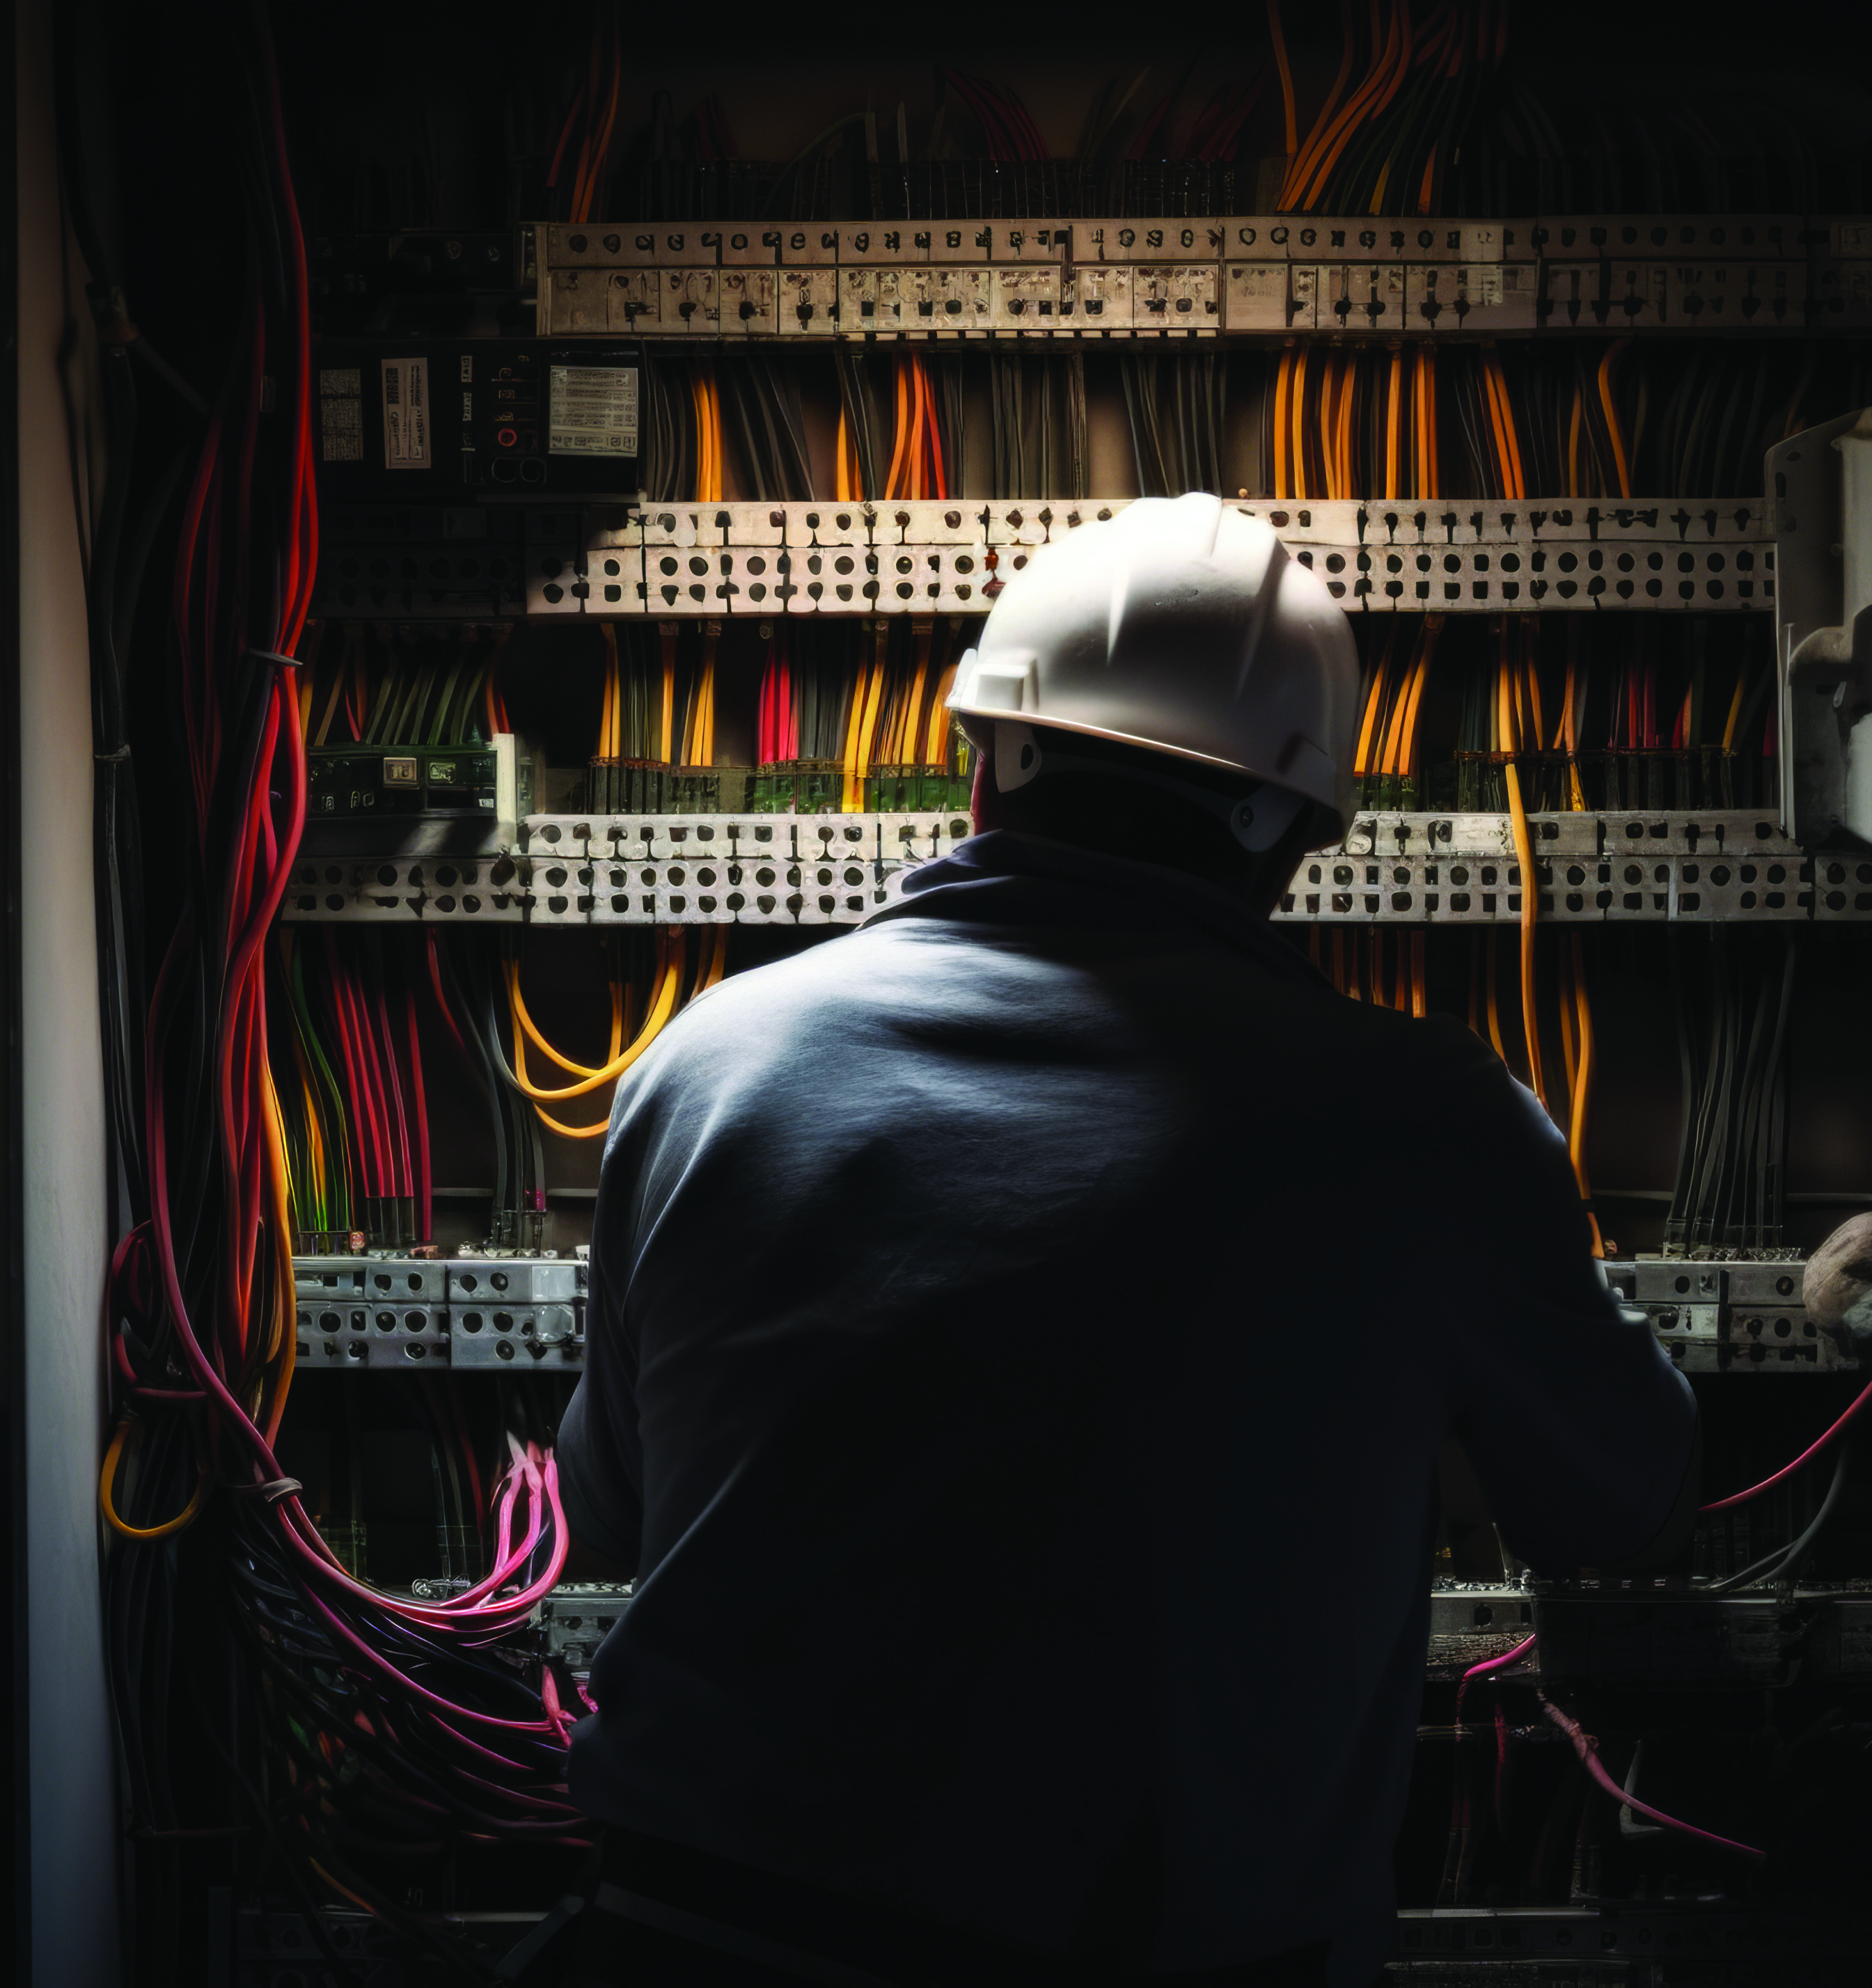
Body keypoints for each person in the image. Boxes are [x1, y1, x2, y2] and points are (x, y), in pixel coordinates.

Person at [539, 493, 1700, 1987]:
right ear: (1289, 839)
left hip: (693, 1937)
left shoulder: (710, 1062)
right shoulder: (1427, 1124)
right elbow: (1624, 1510)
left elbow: (613, 1508)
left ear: (981, 767)